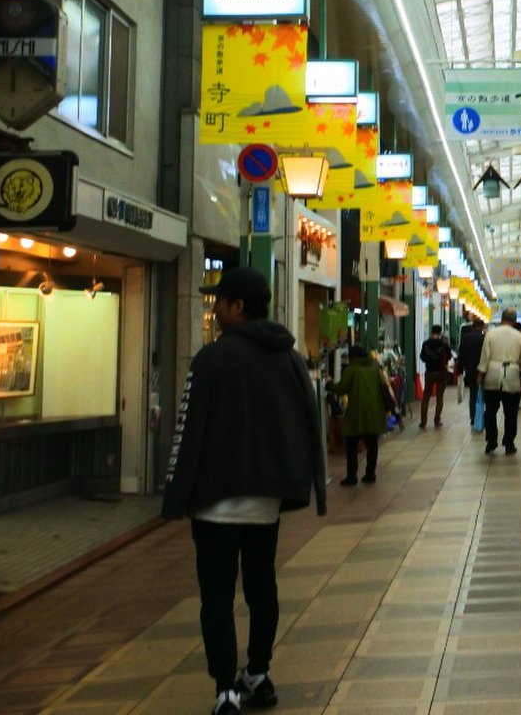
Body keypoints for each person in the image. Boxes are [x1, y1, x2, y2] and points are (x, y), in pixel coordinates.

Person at [163, 267, 326, 715]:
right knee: (262, 585)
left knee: (216, 594)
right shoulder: (290, 358)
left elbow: (188, 428)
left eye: (220, 302)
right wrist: (310, 484)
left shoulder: (212, 359)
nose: (214, 310)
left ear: (238, 307)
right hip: (267, 501)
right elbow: (309, 423)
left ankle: (225, 689)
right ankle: (258, 671)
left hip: (216, 500)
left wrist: (176, 494)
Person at [333, 345, 390, 485]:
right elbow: (384, 386)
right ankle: (370, 473)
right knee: (372, 444)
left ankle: (351, 476)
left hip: (357, 412)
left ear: (353, 357)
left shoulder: (351, 370)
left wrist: (330, 386)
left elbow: (342, 388)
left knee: (351, 444)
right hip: (375, 411)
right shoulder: (375, 369)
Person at [478, 309, 521, 455]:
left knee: (491, 411)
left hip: (492, 375)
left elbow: (484, 357)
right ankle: (509, 443)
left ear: (501, 318)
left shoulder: (490, 334)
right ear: (514, 320)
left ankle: (491, 441)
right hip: (512, 375)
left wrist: (480, 375)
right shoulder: (519, 336)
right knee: (511, 412)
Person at [419, 324, 453, 429]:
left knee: (426, 397)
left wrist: (430, 360)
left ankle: (423, 421)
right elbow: (449, 356)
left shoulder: (426, 344)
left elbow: (422, 357)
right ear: (440, 332)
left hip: (429, 372)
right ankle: (437, 420)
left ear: (431, 331)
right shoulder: (443, 344)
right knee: (439, 397)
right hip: (441, 373)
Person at [457, 315, 487, 426]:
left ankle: (473, 417)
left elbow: (461, 355)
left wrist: (460, 370)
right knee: (484, 394)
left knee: (473, 394)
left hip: (470, 370)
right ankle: (483, 416)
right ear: (482, 327)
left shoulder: (465, 338)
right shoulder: (484, 338)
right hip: (483, 371)